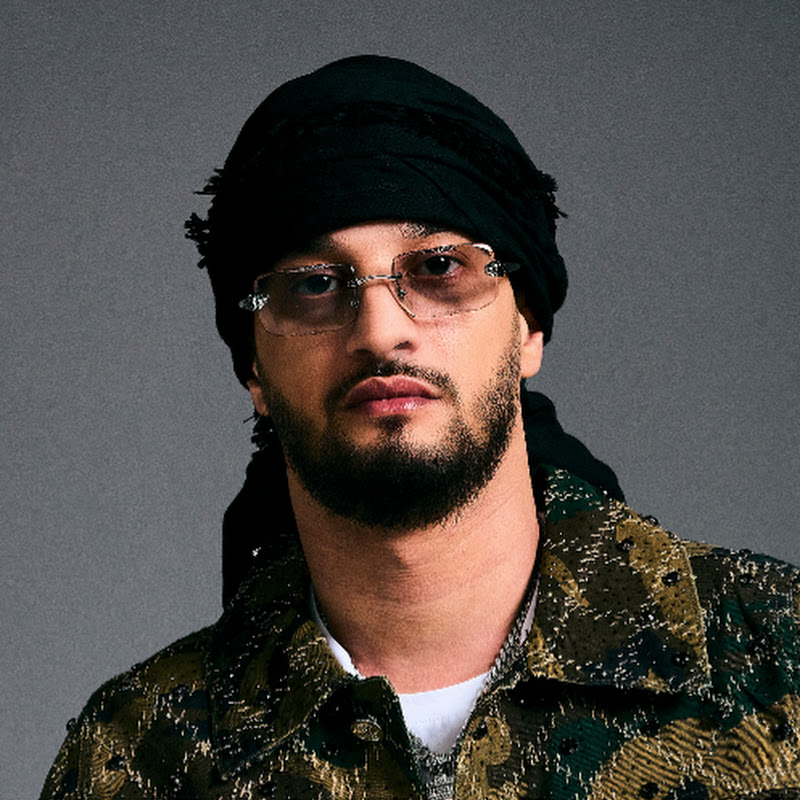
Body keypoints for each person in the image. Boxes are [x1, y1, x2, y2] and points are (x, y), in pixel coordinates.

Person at [41, 55, 800, 800]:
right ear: (255, 372)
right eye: (314, 284)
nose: (380, 331)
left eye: (438, 269)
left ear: (527, 329)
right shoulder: (136, 756)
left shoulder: (776, 659)